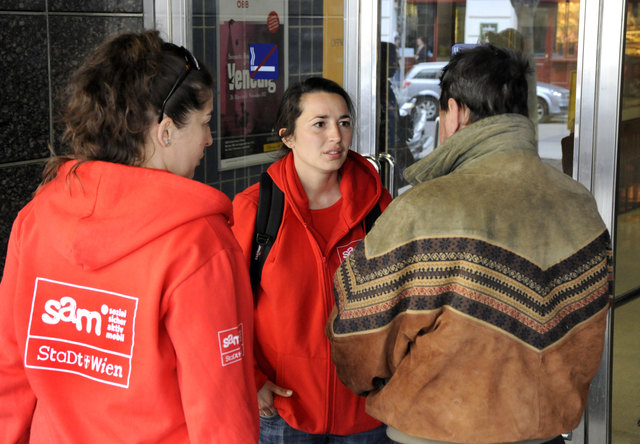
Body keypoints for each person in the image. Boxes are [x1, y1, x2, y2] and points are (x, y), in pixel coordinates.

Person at [326, 44, 612, 444]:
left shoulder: (425, 207)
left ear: (456, 112)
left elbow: (358, 336)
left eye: (442, 114)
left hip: (434, 431)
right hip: (544, 432)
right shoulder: (580, 203)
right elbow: (588, 337)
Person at [0, 30, 258, 443]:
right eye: (206, 123)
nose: (210, 139)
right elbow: (221, 413)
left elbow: (10, 372)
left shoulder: (36, 219)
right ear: (166, 129)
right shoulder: (198, 244)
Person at [232, 77, 393, 443]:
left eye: (344, 122)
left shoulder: (379, 208)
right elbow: (225, 308)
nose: (336, 136)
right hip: (285, 411)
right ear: (287, 136)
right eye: (319, 124)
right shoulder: (256, 211)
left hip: (365, 412)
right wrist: (252, 380)